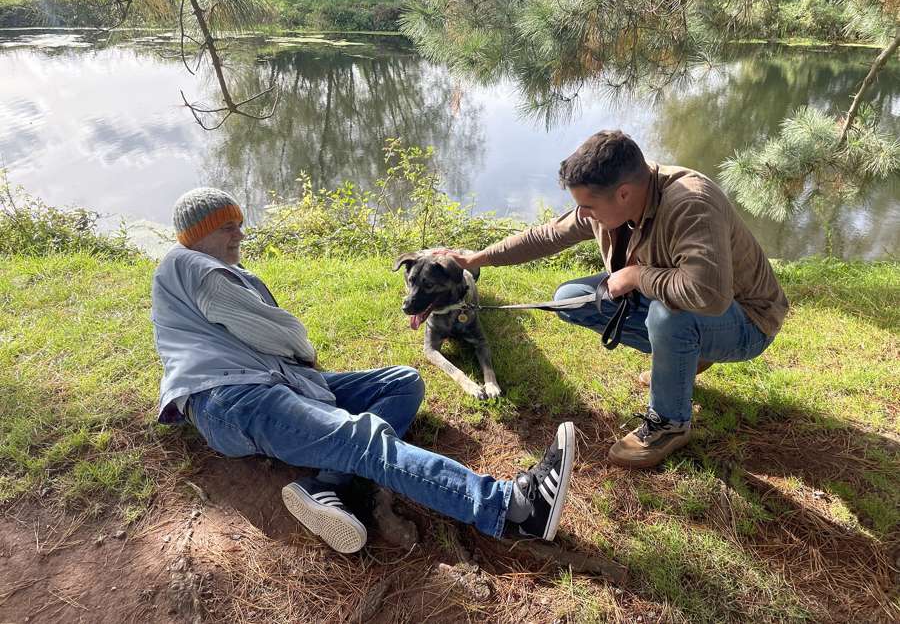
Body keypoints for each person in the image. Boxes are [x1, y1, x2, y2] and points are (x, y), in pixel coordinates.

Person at [150, 187, 576, 554]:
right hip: (236, 399)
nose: (240, 234)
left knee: (402, 382)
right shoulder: (196, 267)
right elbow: (272, 331)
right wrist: (303, 350)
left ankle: (326, 484)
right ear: (198, 233)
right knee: (363, 439)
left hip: (265, 384)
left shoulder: (204, 269)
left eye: (239, 224)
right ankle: (514, 509)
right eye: (228, 227)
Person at [443, 131, 788, 469]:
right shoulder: (612, 199)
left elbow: (708, 296)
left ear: (623, 194)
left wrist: (637, 276)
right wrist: (476, 259)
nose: (584, 214)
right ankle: (683, 358)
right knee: (571, 299)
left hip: (746, 320)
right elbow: (546, 236)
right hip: (681, 303)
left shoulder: (691, 204)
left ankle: (669, 423)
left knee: (670, 318)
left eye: (588, 207)